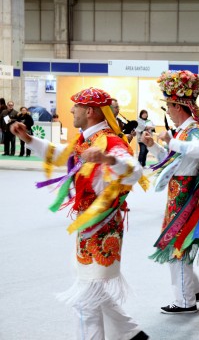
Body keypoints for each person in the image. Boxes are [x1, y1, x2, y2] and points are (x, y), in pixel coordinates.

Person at [10, 87, 148, 339]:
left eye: (76, 106)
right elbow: (61, 155)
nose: (71, 110)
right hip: (90, 224)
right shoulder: (86, 140)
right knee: (90, 289)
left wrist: (107, 159)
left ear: (90, 111)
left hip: (102, 224)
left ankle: (127, 332)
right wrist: (29, 139)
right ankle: (130, 332)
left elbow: (134, 171)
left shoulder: (110, 141)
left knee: (86, 299)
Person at [142, 70, 199, 314]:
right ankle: (193, 290)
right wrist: (153, 146)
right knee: (179, 244)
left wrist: (171, 142)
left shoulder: (192, 131)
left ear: (178, 106)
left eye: (168, 106)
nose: (167, 111)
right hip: (179, 194)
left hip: (186, 195)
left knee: (177, 246)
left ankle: (185, 300)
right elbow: (173, 160)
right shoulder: (184, 132)